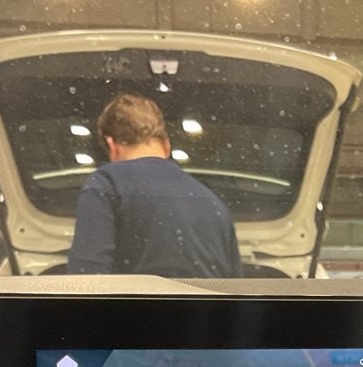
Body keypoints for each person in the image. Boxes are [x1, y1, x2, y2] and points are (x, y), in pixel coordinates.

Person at [66, 93, 243, 278]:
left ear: (112, 146)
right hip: (205, 299)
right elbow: (237, 289)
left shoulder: (106, 184)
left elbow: (86, 280)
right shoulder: (214, 204)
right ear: (166, 145)